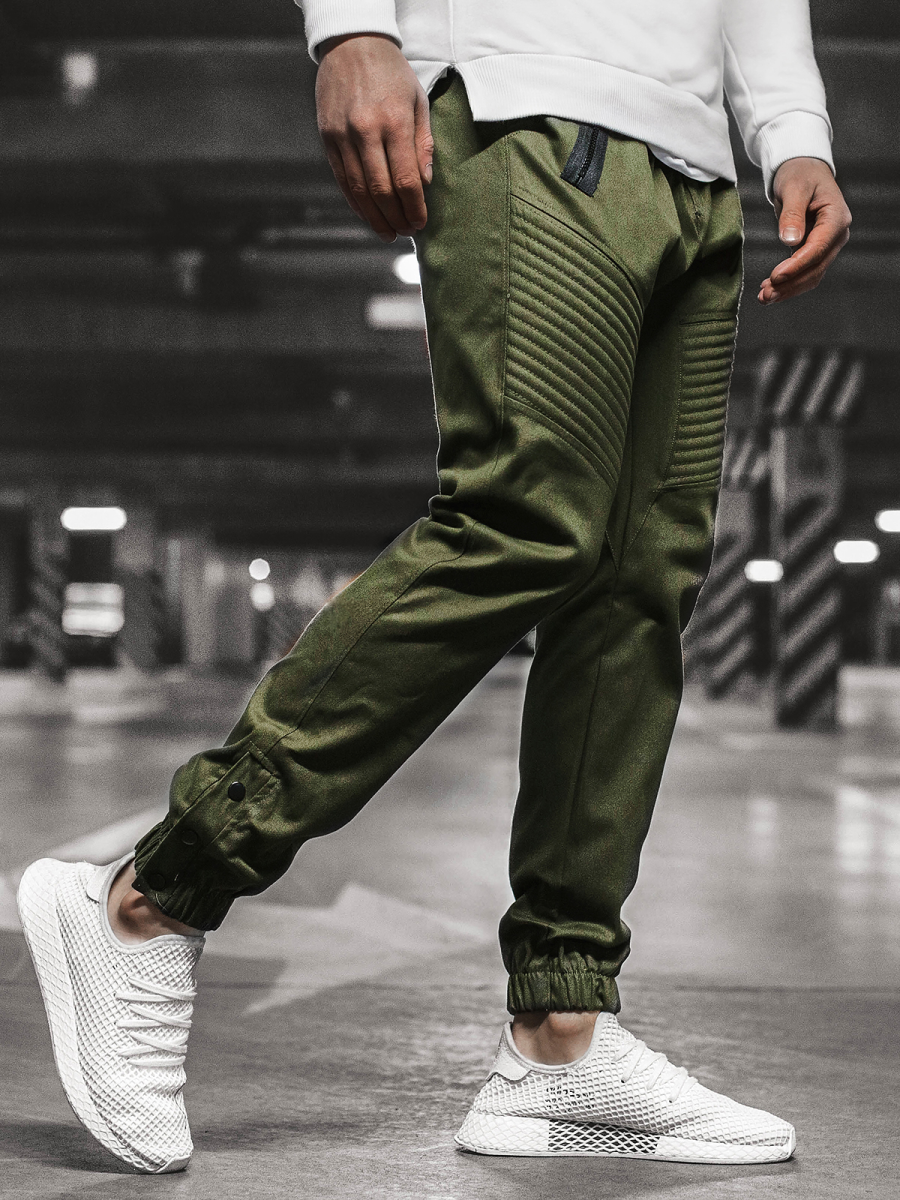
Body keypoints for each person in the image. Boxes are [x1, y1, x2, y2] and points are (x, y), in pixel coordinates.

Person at [17, 0, 851, 1175]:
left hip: (699, 171)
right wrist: (352, 30)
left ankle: (561, 1033)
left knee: (638, 581)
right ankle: (155, 895)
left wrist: (793, 131)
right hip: (533, 100)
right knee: (525, 518)